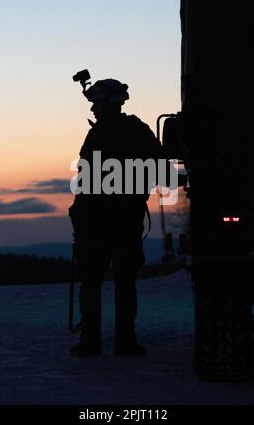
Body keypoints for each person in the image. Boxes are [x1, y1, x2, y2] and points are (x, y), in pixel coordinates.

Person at [69, 78, 166, 356]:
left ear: (108, 104)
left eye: (96, 104)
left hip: (107, 220)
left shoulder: (109, 134)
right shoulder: (135, 131)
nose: (94, 110)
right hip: (116, 219)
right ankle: (119, 341)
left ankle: (96, 342)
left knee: (100, 283)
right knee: (119, 283)